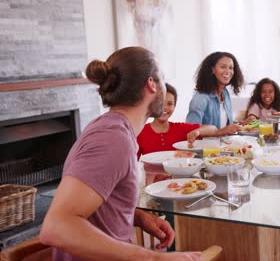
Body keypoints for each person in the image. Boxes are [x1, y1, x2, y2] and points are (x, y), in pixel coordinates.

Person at [39, 47, 200, 261]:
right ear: (151, 84)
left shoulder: (113, 129)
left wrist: (136, 216)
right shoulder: (112, 139)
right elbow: (56, 227)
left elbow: (96, 205)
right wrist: (154, 258)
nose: (164, 85)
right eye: (162, 79)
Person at [137, 83, 236, 157]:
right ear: (152, 104)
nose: (165, 108)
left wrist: (198, 131)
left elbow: (213, 129)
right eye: (160, 102)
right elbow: (133, 163)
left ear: (175, 106)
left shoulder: (181, 128)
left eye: (170, 104)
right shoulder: (140, 132)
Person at [186, 51, 243, 133]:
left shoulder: (225, 93)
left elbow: (224, 125)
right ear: (212, 69)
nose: (228, 71)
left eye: (231, 68)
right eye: (223, 67)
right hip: (205, 145)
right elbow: (191, 130)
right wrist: (220, 131)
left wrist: (241, 124)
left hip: (224, 143)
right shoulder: (200, 98)